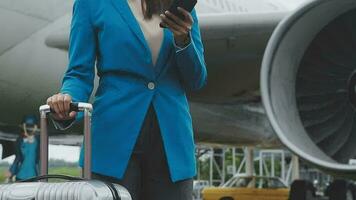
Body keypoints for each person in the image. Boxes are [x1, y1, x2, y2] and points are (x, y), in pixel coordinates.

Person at [46, 0, 207, 199]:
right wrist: (68, 98)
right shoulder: (90, 4)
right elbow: (78, 73)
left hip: (172, 144)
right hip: (112, 140)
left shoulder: (179, 5)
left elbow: (196, 80)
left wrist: (183, 40)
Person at [5, 115, 40, 181]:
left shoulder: (38, 140)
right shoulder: (20, 141)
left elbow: (40, 158)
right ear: (23, 126)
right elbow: (18, 158)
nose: (29, 128)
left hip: (34, 176)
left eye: (32, 125)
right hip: (20, 176)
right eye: (27, 125)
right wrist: (11, 171)